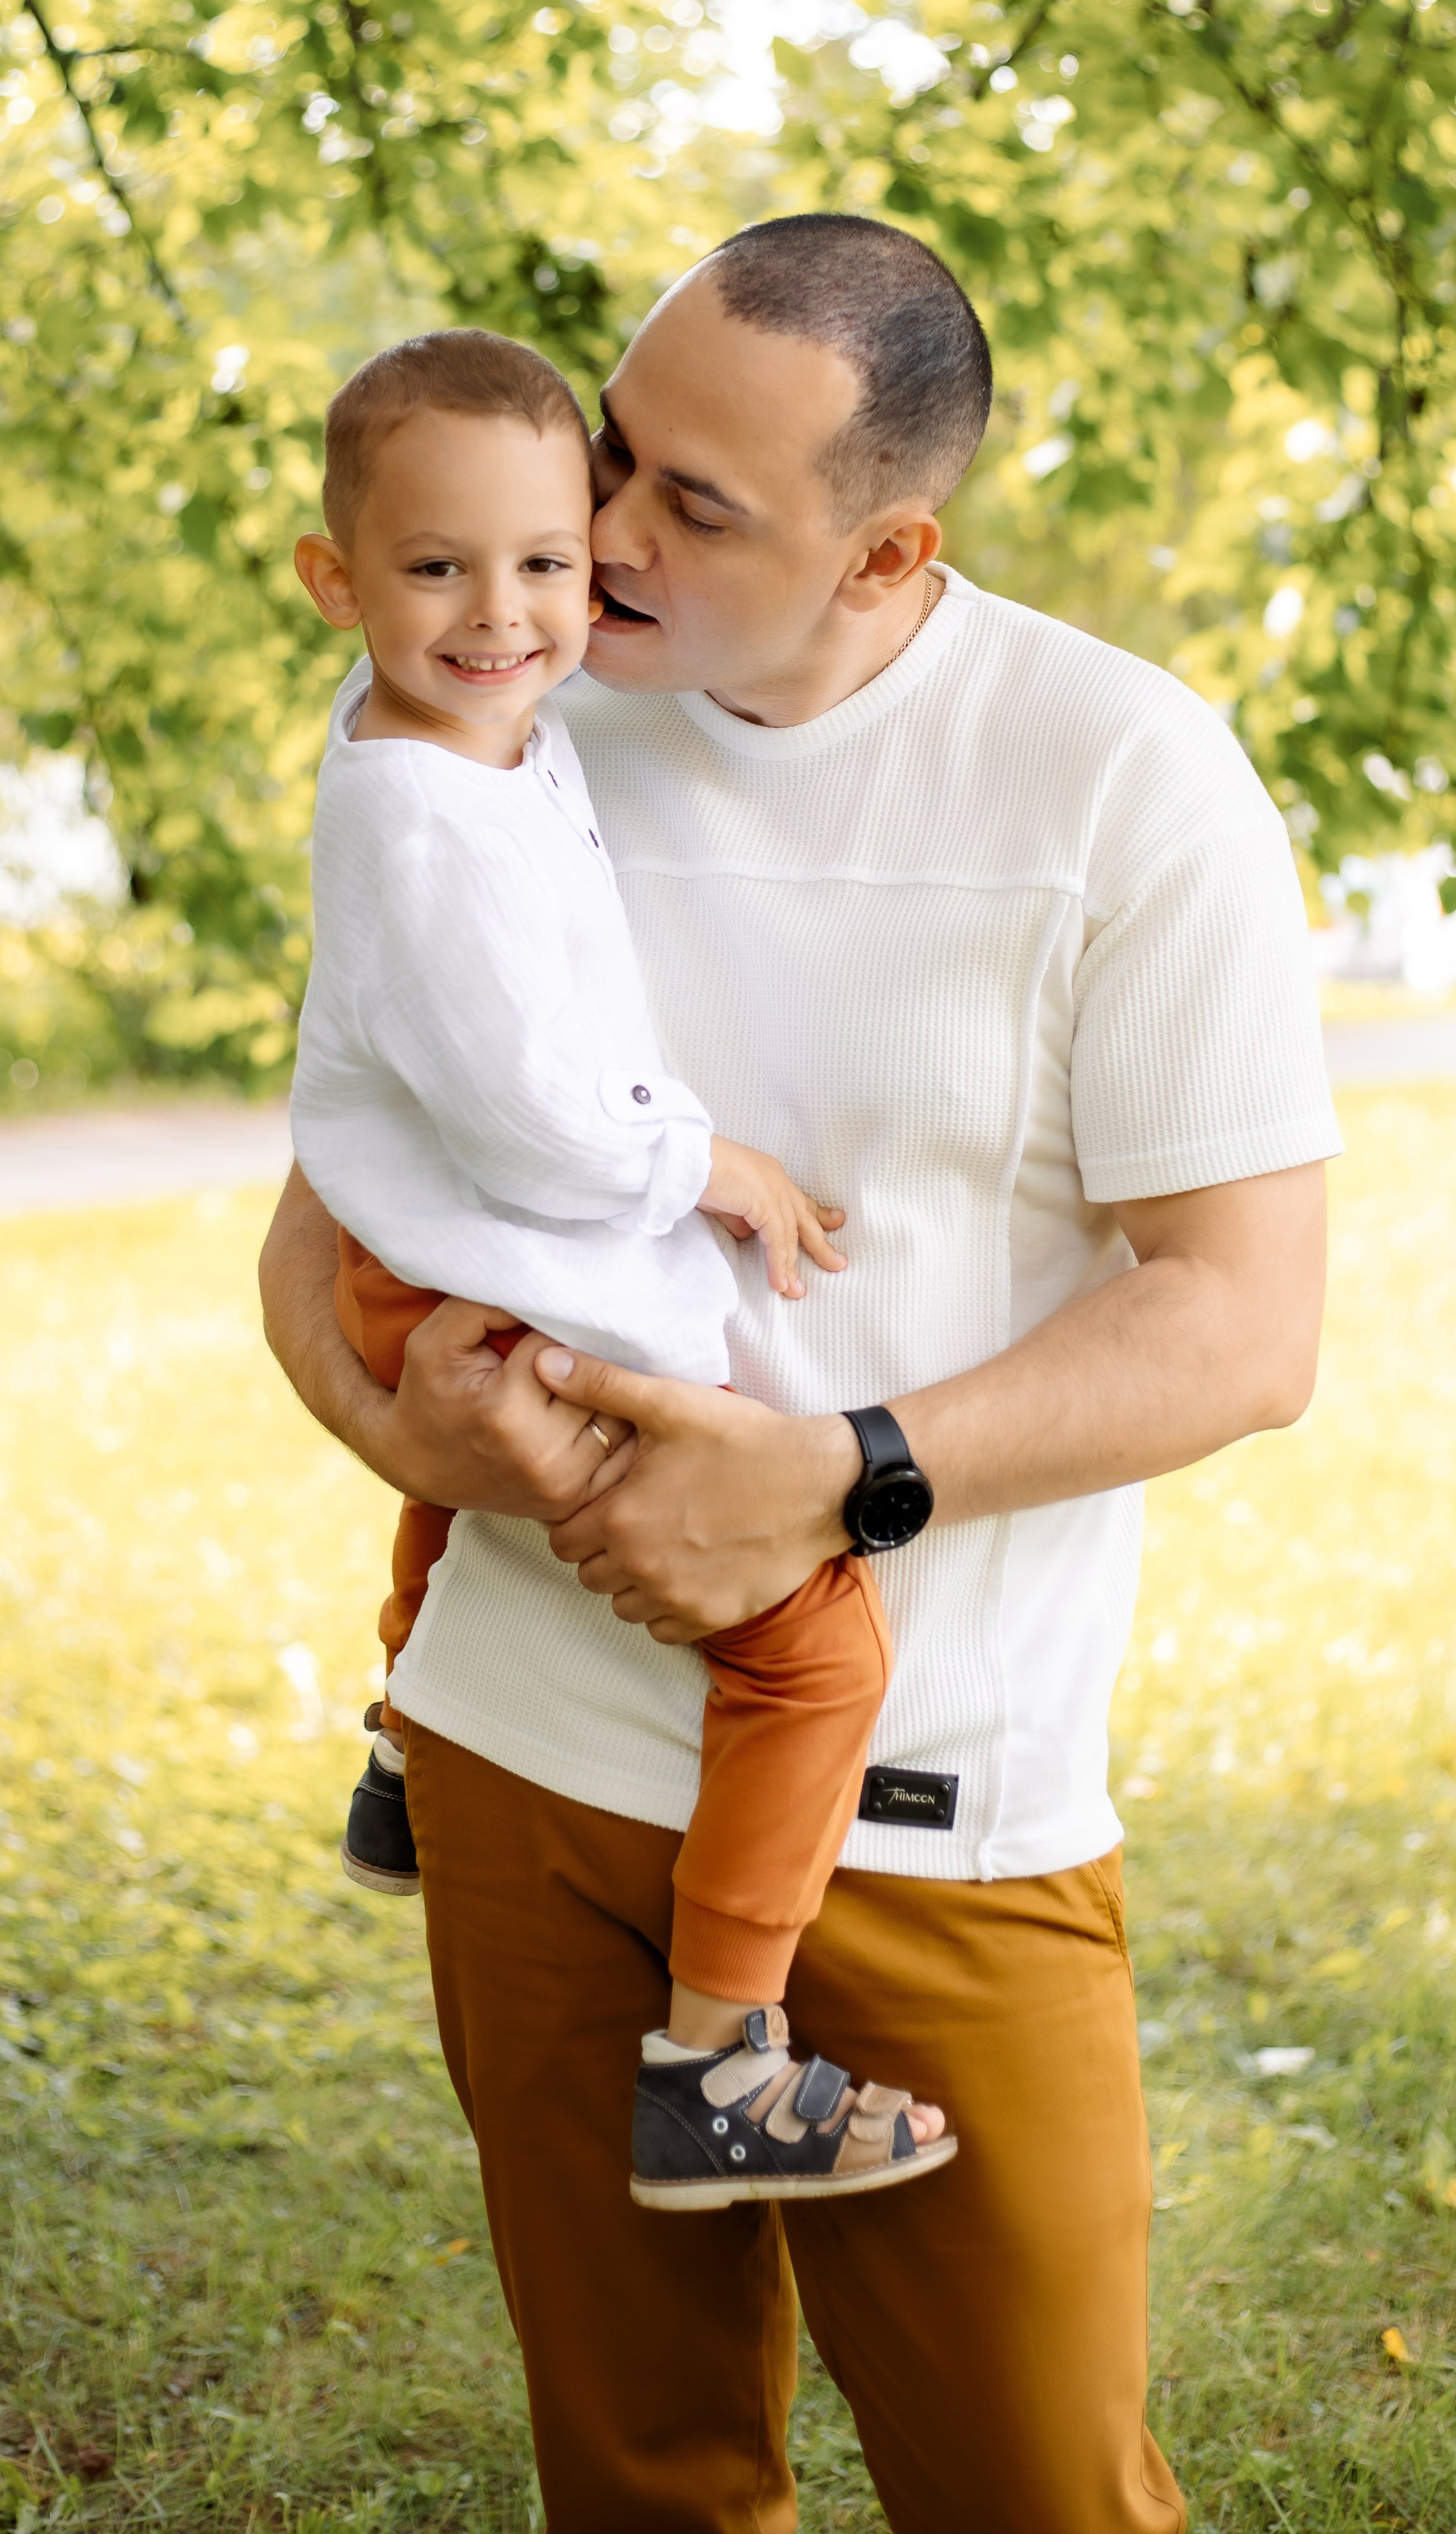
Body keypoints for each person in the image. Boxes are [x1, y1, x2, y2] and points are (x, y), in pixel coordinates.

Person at [260, 214, 1342, 2534]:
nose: (600, 544)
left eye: (691, 510)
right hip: (522, 1764)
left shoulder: (1122, 783)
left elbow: (1243, 1324)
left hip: (929, 1805)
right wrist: (396, 1425)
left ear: (889, 548)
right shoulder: (505, 713)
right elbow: (326, 1202)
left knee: (1038, 2492)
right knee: (642, 2485)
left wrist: (833, 1476)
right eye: (613, 459)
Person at [287, 324, 953, 2206]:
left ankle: (407, 1752)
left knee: (461, 1495)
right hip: (486, 1283)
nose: (503, 613)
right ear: (334, 581)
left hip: (437, 1268)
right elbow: (530, 1122)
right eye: (435, 569)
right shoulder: (424, 813)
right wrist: (712, 1164)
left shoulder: (468, 737)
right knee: (816, 1651)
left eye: (545, 565)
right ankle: (719, 2058)